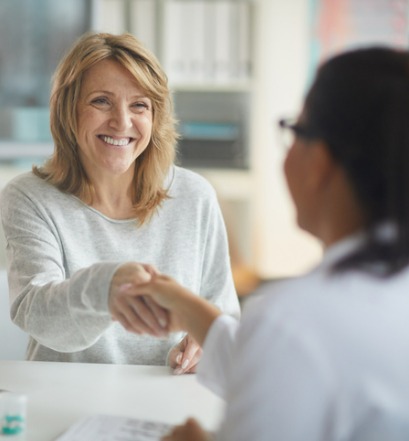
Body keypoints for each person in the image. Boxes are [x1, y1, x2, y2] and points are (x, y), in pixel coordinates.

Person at [131, 47, 409, 440]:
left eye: (295, 129)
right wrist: (185, 304)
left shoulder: (295, 320)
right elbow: (279, 364)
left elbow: (288, 353)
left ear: (319, 163)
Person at [0, 32, 240, 373]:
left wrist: (205, 341)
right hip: (66, 399)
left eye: (139, 105)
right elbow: (37, 314)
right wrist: (106, 288)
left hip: (167, 401)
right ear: (68, 110)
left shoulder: (196, 196)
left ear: (155, 117)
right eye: (101, 101)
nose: (122, 122)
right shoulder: (28, 197)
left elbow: (223, 316)